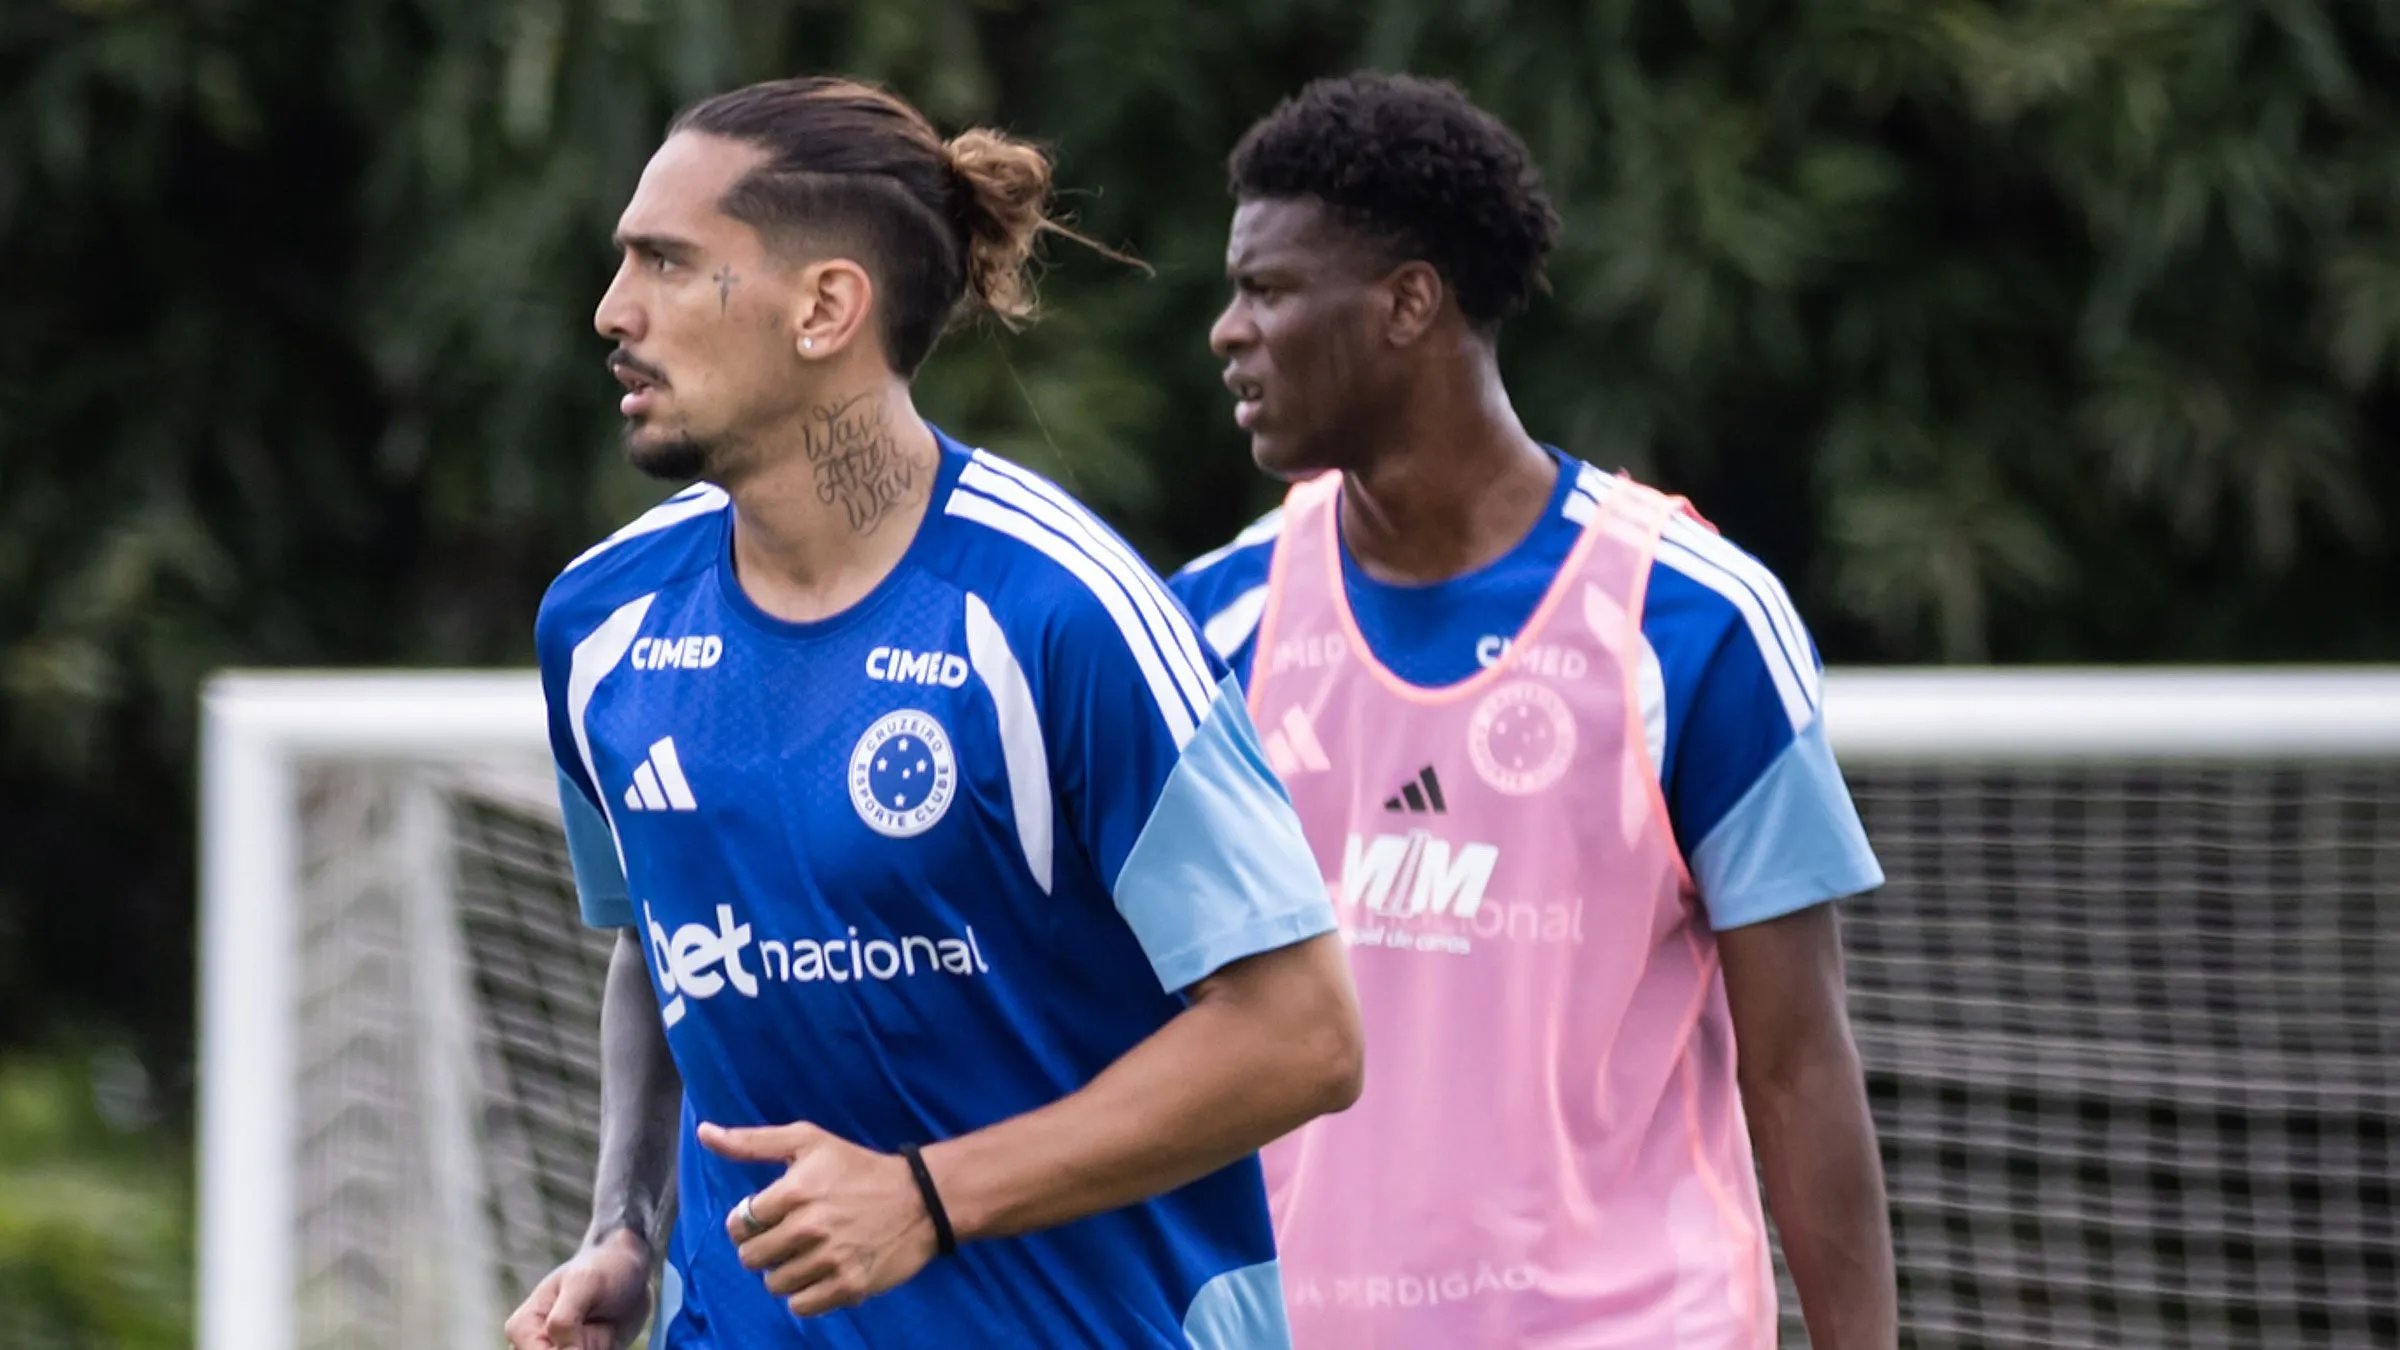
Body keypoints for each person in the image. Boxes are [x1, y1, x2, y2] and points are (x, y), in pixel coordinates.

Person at [507, 76, 1363, 1350]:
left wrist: (927, 1198)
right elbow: (661, 939)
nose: (613, 310)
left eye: (667, 263)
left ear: (826, 308)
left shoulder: (1060, 613)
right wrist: (623, 1225)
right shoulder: (599, 624)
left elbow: (1302, 1035)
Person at [1168, 72, 1898, 1348]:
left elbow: (1798, 1066)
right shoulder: (1214, 626)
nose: (1228, 331)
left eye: (1267, 290)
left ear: (1409, 304)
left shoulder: (1691, 621)